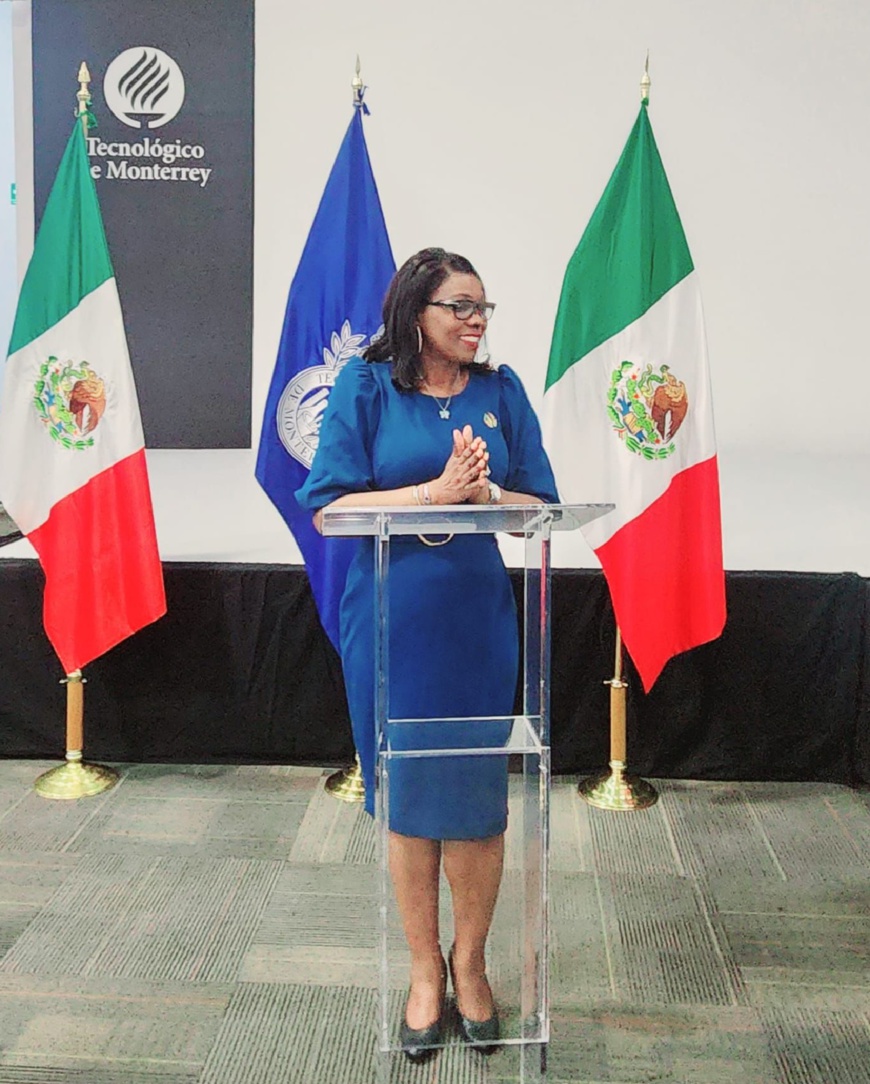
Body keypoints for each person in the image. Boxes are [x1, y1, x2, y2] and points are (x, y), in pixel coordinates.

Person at [297, 247, 558, 1062]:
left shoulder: (501, 393)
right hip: (391, 621)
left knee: (478, 801)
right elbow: (328, 508)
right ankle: (422, 973)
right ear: (418, 313)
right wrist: (430, 496)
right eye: (461, 306)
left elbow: (541, 506)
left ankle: (471, 965)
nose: (477, 321)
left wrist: (488, 497)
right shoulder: (367, 387)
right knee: (410, 800)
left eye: (484, 308)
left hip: (475, 622)